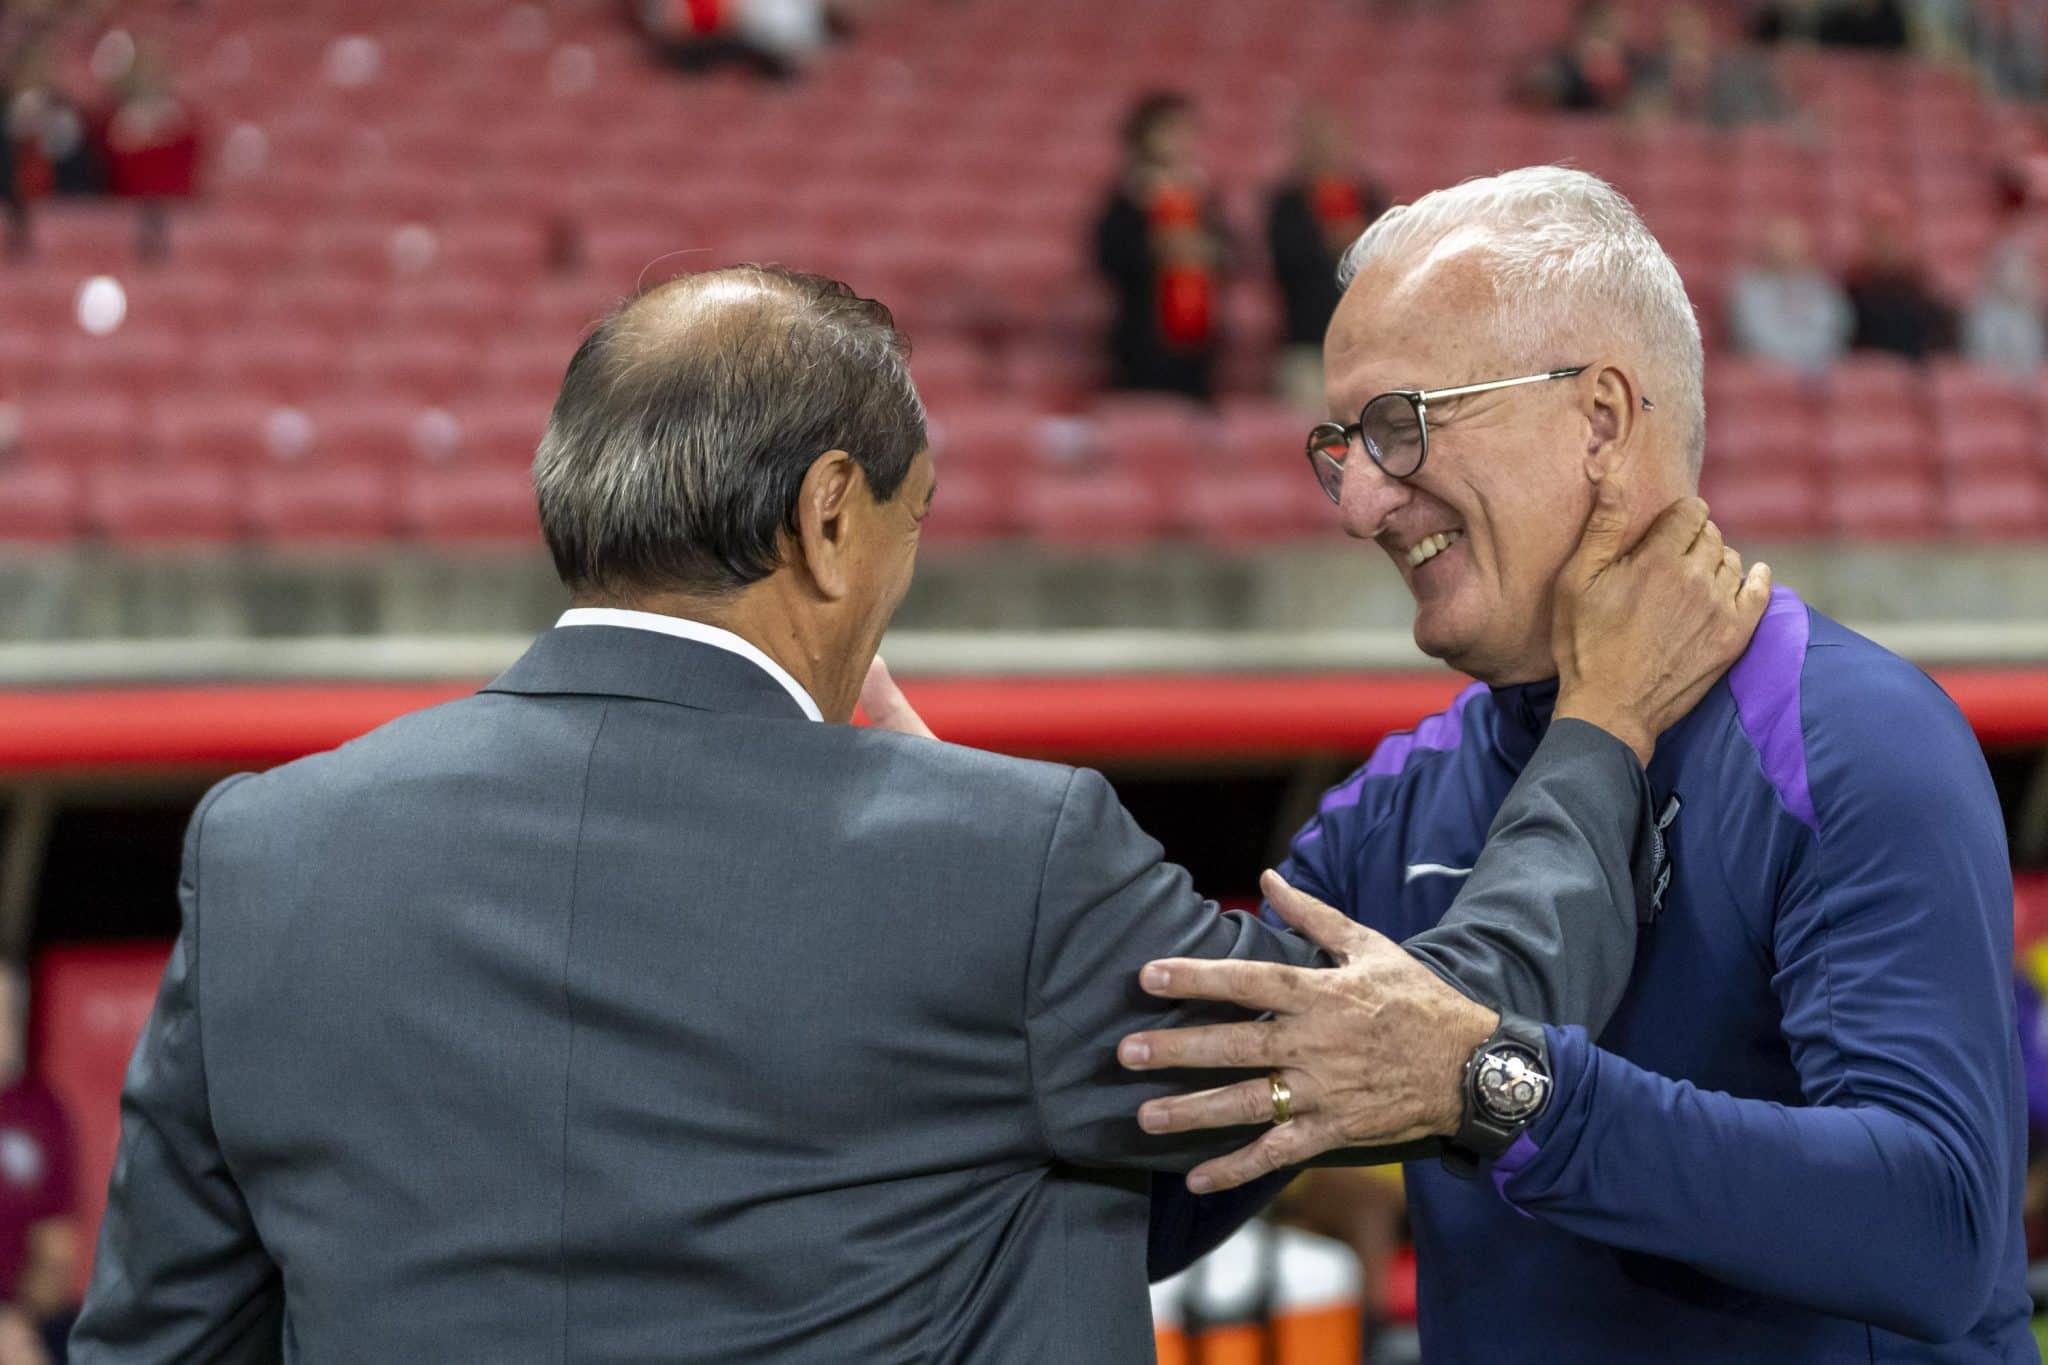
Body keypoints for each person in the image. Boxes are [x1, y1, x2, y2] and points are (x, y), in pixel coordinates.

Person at [73, 265, 1762, 1363]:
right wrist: (1603, 725)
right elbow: (1438, 1035)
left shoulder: (263, 853)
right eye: (913, 518)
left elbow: (160, 1345)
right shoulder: (1010, 867)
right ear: (828, 520)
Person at [1119, 166, 2033, 1360]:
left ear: (1600, 419)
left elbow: (1934, 1227)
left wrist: (1490, 1084)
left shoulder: (1849, 739)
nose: (1358, 505)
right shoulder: (1390, 809)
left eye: (1399, 425)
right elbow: (1153, 1186)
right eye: (1339, 448)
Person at [1094, 92, 1231, 400]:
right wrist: (1156, 251)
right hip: (1145, 334)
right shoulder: (1128, 197)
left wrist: (1205, 251)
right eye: (1169, 129)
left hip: (1198, 335)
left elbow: (1231, 252)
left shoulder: (1202, 196)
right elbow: (1108, 258)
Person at [1266, 109, 1386, 411]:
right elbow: (1284, 263)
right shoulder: (1288, 202)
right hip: (1306, 341)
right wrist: (1331, 243)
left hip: (1362, 344)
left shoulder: (1366, 197)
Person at [0, 964, 80, 1365]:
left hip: (26, 1320)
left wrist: (17, 1326)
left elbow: (57, 1248)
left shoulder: (41, 1109)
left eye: (9, 1011)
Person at [1726, 216, 1853, 376]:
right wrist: (1793, 364)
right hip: (1768, 372)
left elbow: (1834, 329)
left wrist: (1807, 362)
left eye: (1793, 244)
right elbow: (1754, 337)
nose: (1787, 253)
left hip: (1817, 368)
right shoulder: (1748, 289)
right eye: (1780, 245)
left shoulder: (1821, 287)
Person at [1845, 193, 1955, 360]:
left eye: (1894, 227)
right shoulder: (1843, 299)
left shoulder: (1930, 302)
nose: (1887, 239)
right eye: (1879, 228)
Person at [1963, 232, 2047, 378]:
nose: (2017, 278)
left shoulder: (2036, 313)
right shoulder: (1985, 315)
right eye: (2011, 270)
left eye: (2024, 270)